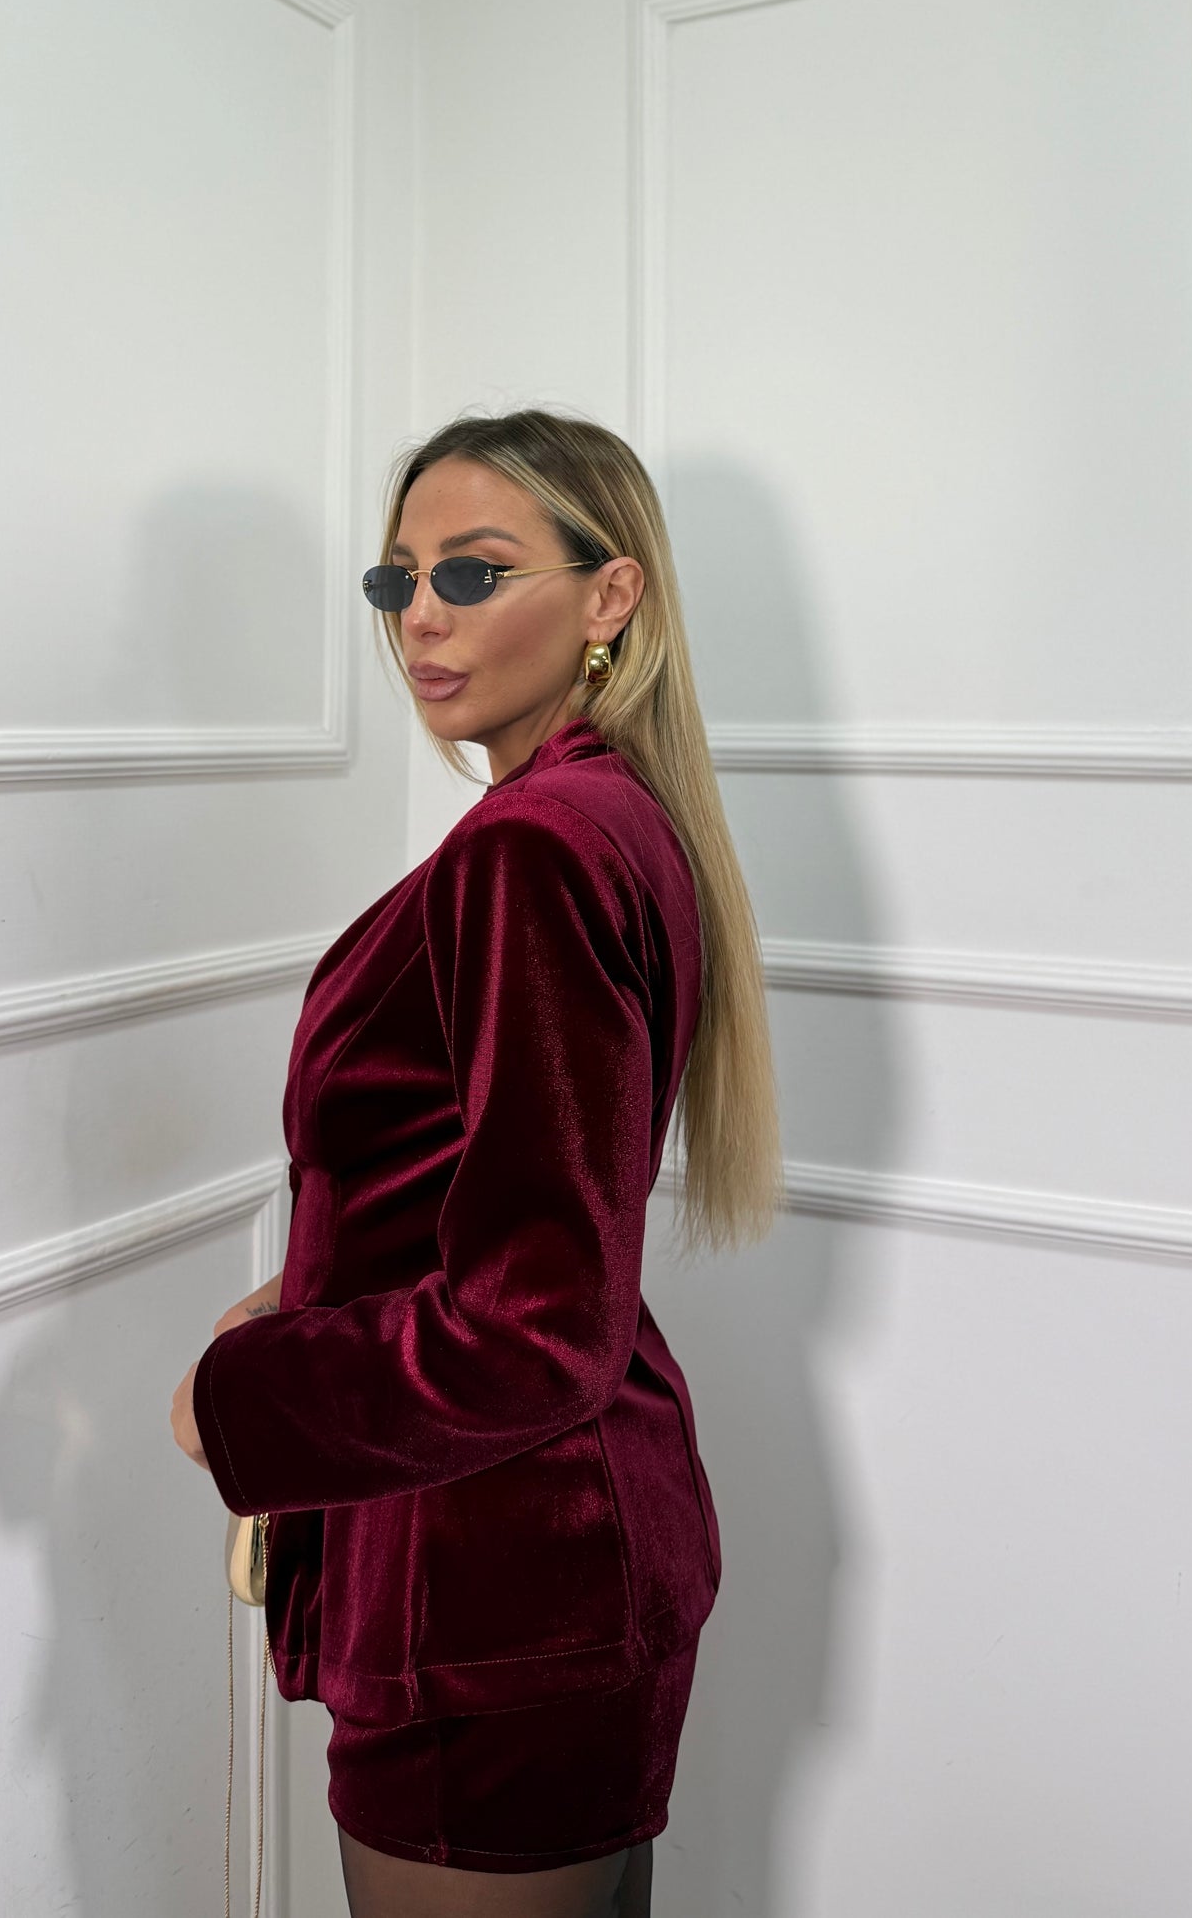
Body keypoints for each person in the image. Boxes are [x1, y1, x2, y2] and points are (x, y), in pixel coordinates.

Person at [170, 407, 783, 1915]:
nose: (421, 620)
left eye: (474, 573)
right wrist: (306, 1293)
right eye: (399, 582)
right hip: (544, 1565)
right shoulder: (608, 816)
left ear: (610, 594)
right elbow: (494, 1191)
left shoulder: (533, 850)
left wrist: (238, 1398)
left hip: (493, 1594)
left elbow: (536, 1324)